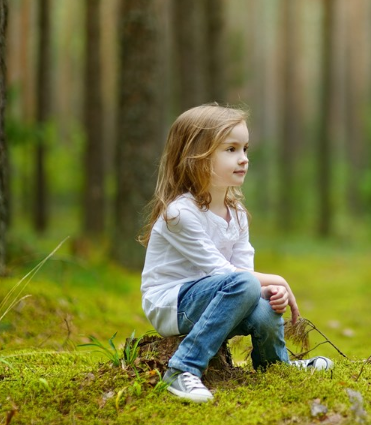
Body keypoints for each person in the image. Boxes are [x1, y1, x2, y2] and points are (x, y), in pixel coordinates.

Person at [139, 103, 333, 403]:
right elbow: (226, 273)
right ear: (197, 156)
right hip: (171, 304)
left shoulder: (237, 212)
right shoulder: (180, 213)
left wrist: (269, 290)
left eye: (245, 149)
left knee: (264, 301)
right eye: (230, 149)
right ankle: (182, 368)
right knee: (247, 284)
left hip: (218, 296)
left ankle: (275, 366)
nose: (243, 159)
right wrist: (276, 279)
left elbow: (243, 274)